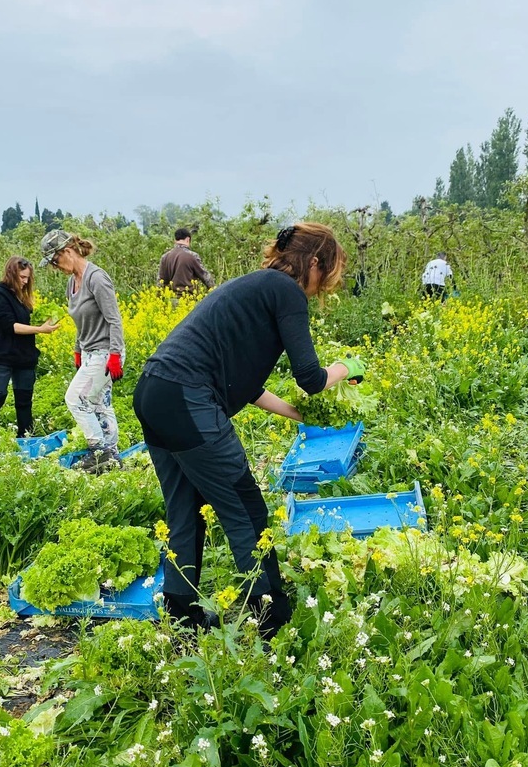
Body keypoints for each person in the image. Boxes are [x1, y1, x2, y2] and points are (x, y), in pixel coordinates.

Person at [134, 222, 365, 639]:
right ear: (314, 262)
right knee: (246, 510)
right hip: (187, 398)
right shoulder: (286, 292)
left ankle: (180, 617)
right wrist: (349, 367)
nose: (322, 287)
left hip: (155, 391)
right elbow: (311, 377)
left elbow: (247, 384)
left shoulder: (254, 288)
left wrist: (299, 415)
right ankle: (272, 617)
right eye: (326, 273)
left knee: (185, 510)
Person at [39, 230, 126, 474]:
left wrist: (116, 355)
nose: (56, 268)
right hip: (89, 351)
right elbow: (79, 322)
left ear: (67, 252)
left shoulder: (96, 278)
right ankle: (113, 456)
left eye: (55, 261)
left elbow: (114, 320)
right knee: (100, 404)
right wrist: (78, 351)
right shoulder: (72, 282)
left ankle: (99, 452)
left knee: (75, 398)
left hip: (106, 352)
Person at [0, 256, 59, 437]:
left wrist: (44, 321)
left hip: (24, 356)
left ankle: (26, 438)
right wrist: (40, 329)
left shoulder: (22, 297)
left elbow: (24, 322)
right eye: (22, 277)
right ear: (11, 274)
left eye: (28, 278)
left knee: (24, 400)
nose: (25, 281)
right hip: (2, 355)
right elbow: (10, 326)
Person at [157, 227, 214, 299]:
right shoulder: (192, 256)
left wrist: (159, 300)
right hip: (189, 300)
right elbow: (206, 277)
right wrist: (215, 292)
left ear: (175, 240)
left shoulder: (165, 257)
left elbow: (160, 282)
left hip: (170, 300)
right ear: (188, 239)